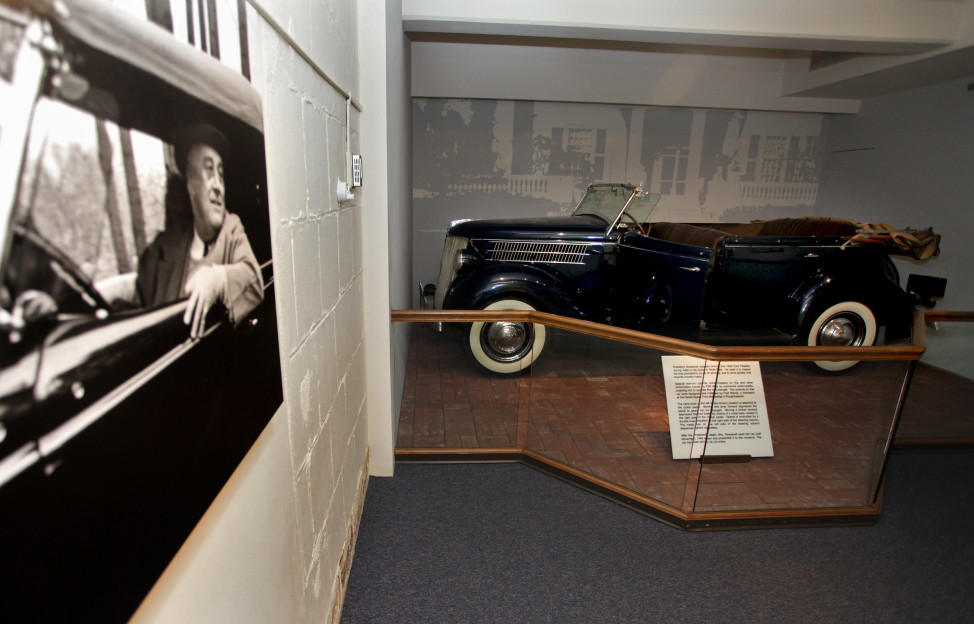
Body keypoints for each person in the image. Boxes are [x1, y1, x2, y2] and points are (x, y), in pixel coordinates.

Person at [136, 123, 263, 339]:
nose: (218, 186)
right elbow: (137, 311)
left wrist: (217, 279)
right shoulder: (162, 247)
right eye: (208, 171)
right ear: (190, 185)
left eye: (221, 175)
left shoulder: (231, 228)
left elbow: (253, 281)